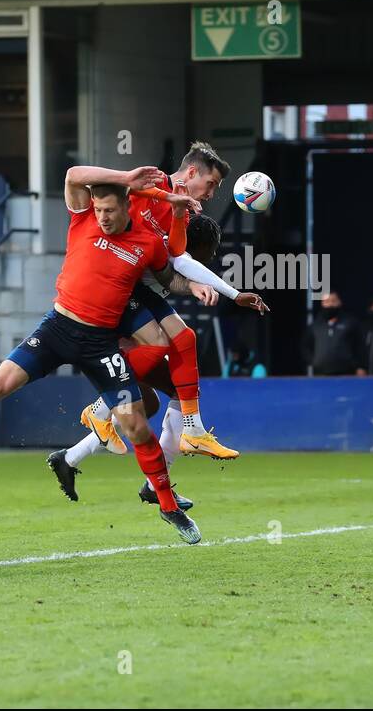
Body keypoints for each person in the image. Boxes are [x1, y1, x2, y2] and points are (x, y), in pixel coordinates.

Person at [0, 163, 227, 544]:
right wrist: (125, 178)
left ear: (127, 208)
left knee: (138, 426)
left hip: (101, 344)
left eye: (110, 211)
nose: (103, 217)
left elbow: (166, 277)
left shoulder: (147, 242)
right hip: (58, 328)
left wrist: (191, 286)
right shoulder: (82, 219)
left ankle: (168, 507)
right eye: (99, 210)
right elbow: (74, 174)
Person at [47, 214, 269, 504]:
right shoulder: (169, 250)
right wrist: (235, 293)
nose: (212, 257)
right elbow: (186, 262)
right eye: (211, 250)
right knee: (171, 347)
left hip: (126, 332)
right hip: (110, 329)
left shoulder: (169, 257)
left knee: (157, 400)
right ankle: (103, 411)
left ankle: (71, 458)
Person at [77, 142, 248, 461]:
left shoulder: (177, 209)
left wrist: (179, 211)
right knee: (157, 355)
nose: (211, 194)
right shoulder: (148, 184)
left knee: (182, 342)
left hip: (135, 289)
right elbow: (82, 179)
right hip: (109, 284)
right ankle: (101, 410)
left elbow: (178, 255)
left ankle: (192, 432)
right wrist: (129, 179)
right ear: (192, 172)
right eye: (210, 184)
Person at [302, 291, 365, 376]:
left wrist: (360, 366)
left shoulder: (350, 323)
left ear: (339, 302)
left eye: (333, 301)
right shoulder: (315, 326)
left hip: (346, 372)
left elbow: (360, 346)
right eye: (327, 301)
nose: (330, 304)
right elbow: (305, 346)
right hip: (321, 373)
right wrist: (314, 362)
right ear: (322, 303)